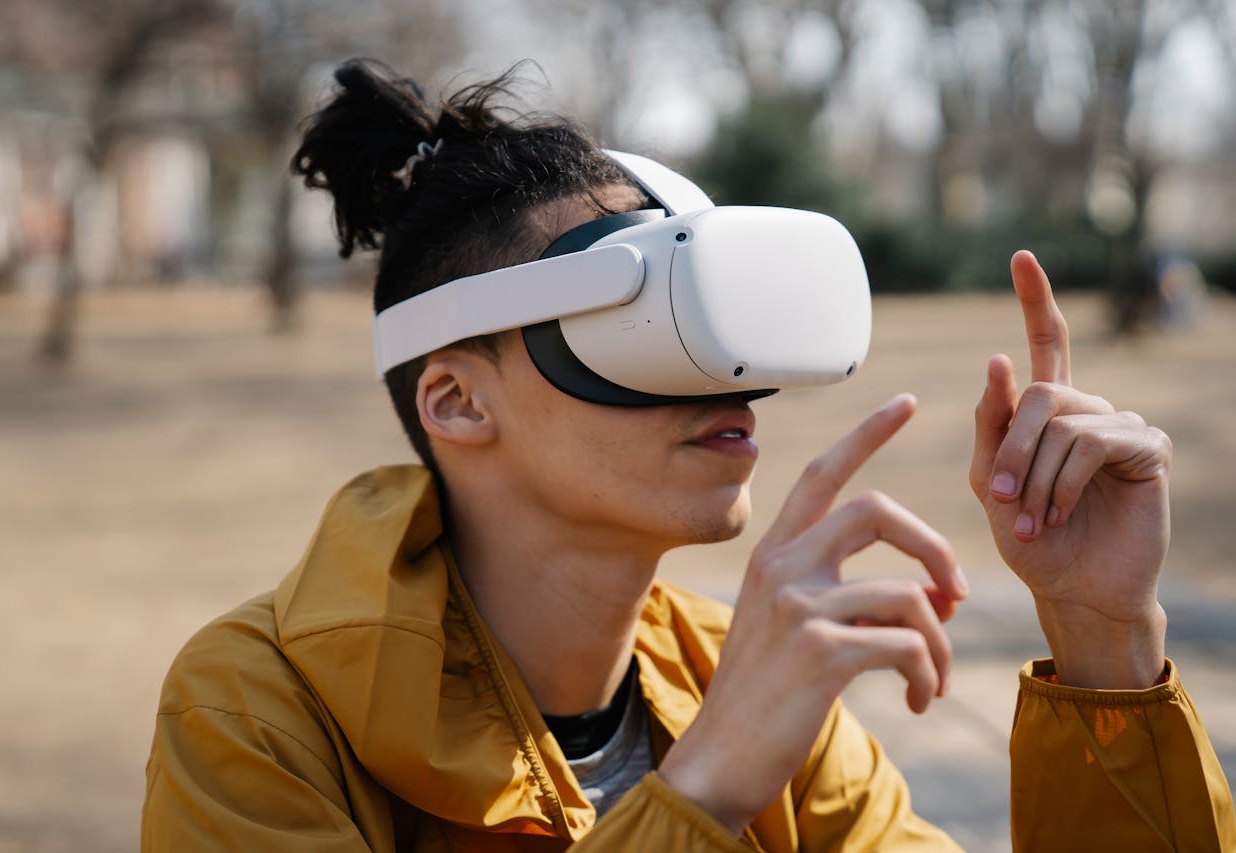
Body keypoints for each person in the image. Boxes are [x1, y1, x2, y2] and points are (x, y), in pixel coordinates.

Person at [140, 60, 1235, 852]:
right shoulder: (255, 713)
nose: (722, 379)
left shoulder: (739, 673)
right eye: (644, 326)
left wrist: (1102, 647)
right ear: (457, 401)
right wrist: (705, 787)